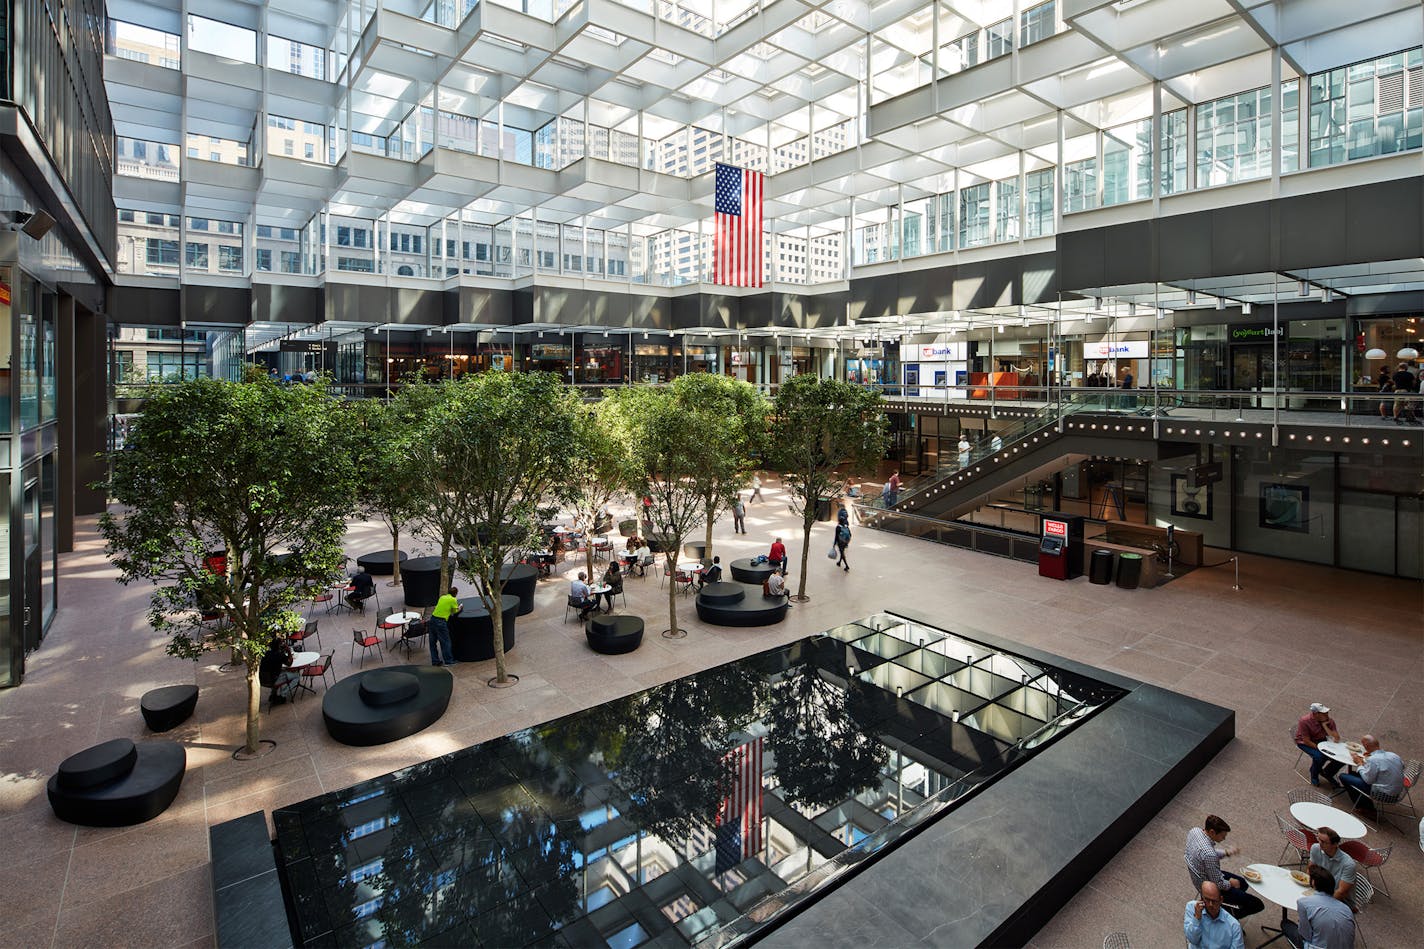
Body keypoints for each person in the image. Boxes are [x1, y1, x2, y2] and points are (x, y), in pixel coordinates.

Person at [1184, 815, 1263, 920]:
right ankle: (1228, 918)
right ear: (1212, 832)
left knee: (1243, 883)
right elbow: (1219, 883)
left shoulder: (1195, 831)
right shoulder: (1209, 854)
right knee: (1257, 904)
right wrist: (1231, 883)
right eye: (1222, 836)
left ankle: (1223, 904)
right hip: (1209, 884)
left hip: (1201, 875)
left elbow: (1204, 853)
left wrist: (1226, 852)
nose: (1224, 838)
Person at [1281, 865, 1354, 949]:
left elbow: (1305, 935)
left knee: (1285, 924)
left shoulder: (1303, 903)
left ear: (1313, 883)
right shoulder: (1346, 909)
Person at [1340, 733, 1405, 812]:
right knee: (1353, 774)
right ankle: (1363, 801)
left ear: (1366, 746)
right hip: (1397, 792)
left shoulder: (1373, 759)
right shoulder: (1394, 755)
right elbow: (1400, 767)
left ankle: (1366, 808)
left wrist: (1359, 764)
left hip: (1382, 794)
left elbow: (1368, 780)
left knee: (1343, 776)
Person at [1295, 701, 1344, 788]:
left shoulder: (1329, 721)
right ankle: (1314, 774)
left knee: (1340, 758)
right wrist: (1321, 750)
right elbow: (1306, 741)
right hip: (1305, 743)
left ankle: (1327, 773)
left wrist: (1325, 726)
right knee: (1319, 757)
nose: (1327, 715)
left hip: (1321, 740)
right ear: (1316, 714)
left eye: (1327, 712)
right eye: (1324, 713)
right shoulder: (1304, 721)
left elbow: (1336, 738)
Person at [1183, 881, 1244, 949]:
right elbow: (1192, 940)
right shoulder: (1191, 907)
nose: (1210, 905)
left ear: (1221, 900)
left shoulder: (1234, 926)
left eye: (1214, 901)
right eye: (1207, 900)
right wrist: (1197, 918)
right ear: (1201, 897)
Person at [1306, 827, 1356, 904]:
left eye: (1323, 842)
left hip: (1340, 902)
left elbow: (1341, 892)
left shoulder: (1348, 864)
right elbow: (1310, 872)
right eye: (1318, 839)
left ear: (1335, 844)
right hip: (1320, 892)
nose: (1319, 843)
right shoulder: (1315, 848)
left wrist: (1319, 903)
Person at [258, 633, 300, 705]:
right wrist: (289, 651)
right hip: (273, 680)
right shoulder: (280, 655)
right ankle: (283, 695)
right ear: (279, 646)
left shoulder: (266, 653)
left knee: (280, 672)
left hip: (262, 679)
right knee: (297, 676)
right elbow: (289, 664)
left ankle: (273, 694)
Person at [429, 586, 460, 666]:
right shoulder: (453, 600)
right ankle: (449, 661)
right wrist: (460, 607)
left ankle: (435, 661)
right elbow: (455, 611)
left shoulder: (442, 597)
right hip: (441, 622)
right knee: (445, 642)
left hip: (432, 620)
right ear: (455, 594)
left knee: (432, 643)